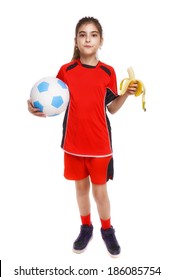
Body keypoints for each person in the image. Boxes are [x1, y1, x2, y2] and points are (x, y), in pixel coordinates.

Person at [27, 16, 138, 257]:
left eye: (93, 34)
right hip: (74, 145)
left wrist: (126, 95)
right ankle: (86, 227)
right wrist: (36, 109)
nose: (88, 39)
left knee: (100, 192)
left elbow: (112, 108)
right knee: (80, 189)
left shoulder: (107, 71)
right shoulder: (66, 71)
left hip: (100, 145)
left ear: (100, 40)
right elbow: (52, 103)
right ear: (76, 41)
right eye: (83, 34)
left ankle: (107, 230)